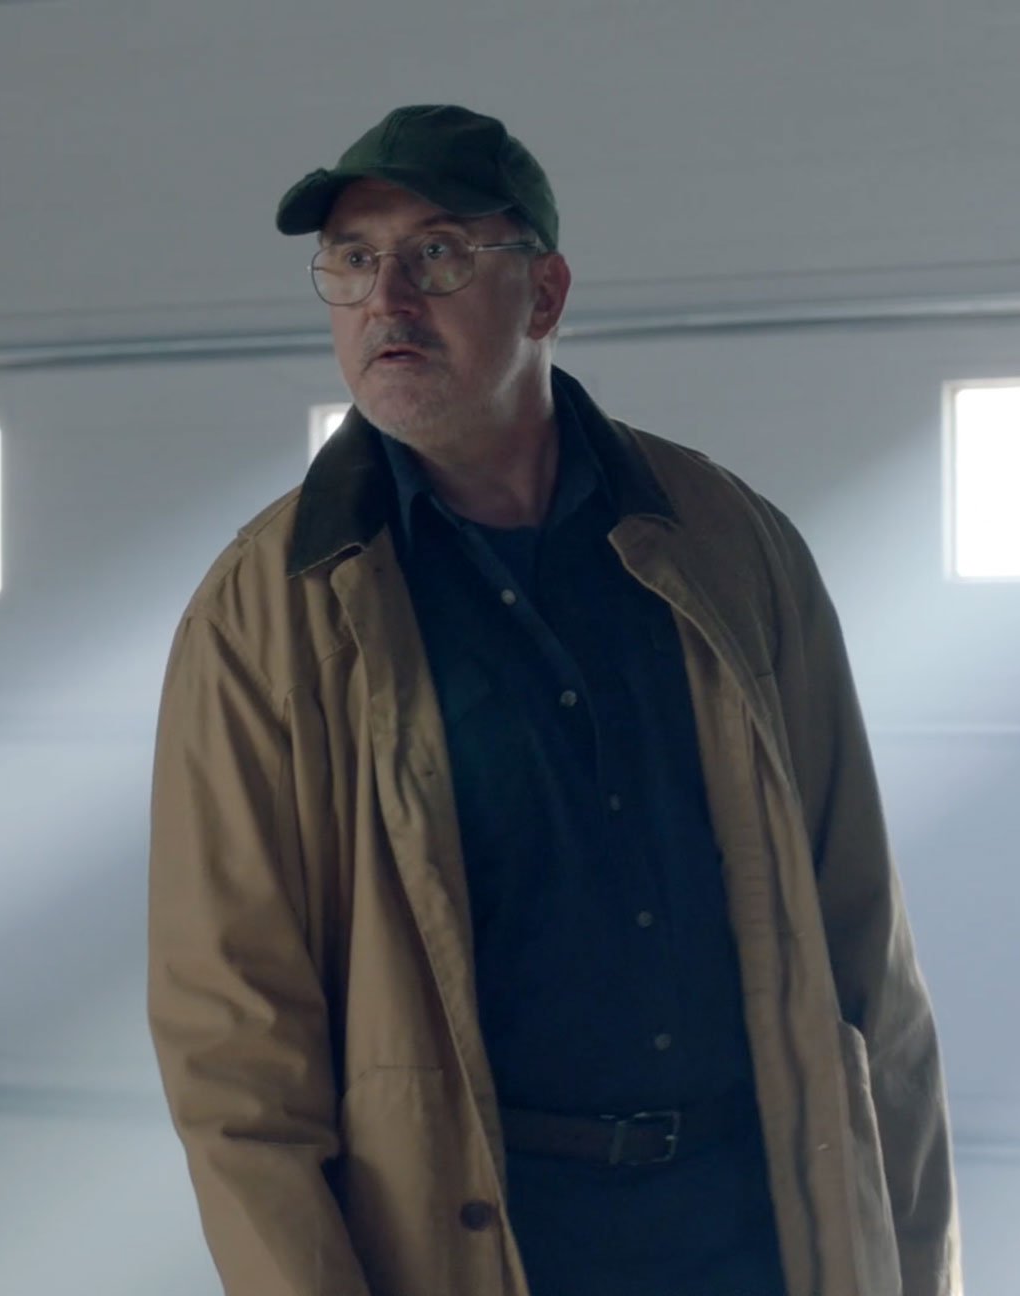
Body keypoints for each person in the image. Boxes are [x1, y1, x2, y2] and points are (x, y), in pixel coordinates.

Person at [147, 103, 959, 1296]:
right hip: (493, 1247)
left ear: (545, 294)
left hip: (754, 1233)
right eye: (354, 262)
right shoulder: (267, 616)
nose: (388, 299)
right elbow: (238, 1070)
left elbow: (868, 968)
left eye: (437, 254)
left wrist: (915, 1267)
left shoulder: (729, 546)